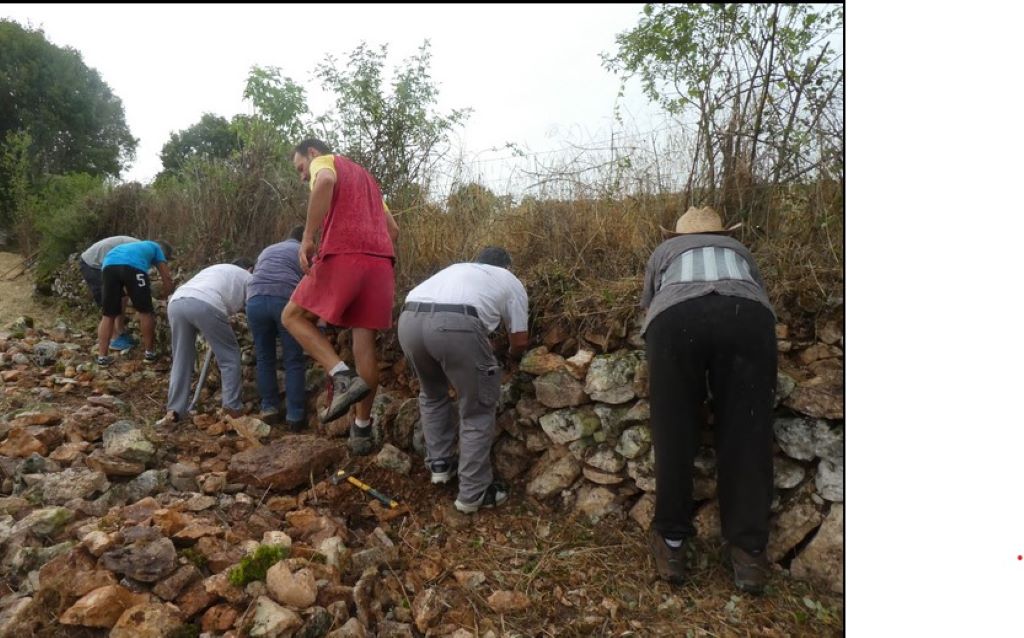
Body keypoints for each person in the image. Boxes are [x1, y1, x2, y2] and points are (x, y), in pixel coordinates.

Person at [640, 206, 777, 593]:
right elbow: (758, 295)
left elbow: (649, 307)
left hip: (676, 318)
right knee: (749, 434)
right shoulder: (739, 250)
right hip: (746, 317)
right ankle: (749, 554)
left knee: (674, 432)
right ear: (723, 232)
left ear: (675, 236)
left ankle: (671, 544)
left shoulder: (663, 254)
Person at [281, 138, 399, 455]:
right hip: (381, 265)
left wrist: (307, 238)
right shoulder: (369, 182)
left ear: (313, 154)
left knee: (291, 317)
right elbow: (394, 230)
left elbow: (327, 181)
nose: (302, 176)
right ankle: (361, 431)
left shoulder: (328, 163)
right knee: (364, 344)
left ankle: (340, 376)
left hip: (345, 254)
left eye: (301, 168)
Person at [397, 246, 529, 513]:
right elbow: (520, 339)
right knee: (477, 410)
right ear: (508, 266)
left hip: (409, 320)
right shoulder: (509, 280)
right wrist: (510, 356)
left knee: (432, 394)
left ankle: (440, 466)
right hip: (455, 325)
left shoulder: (457, 269)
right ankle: (473, 494)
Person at [157, 258, 254, 427]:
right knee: (229, 358)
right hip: (206, 304)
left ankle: (174, 410)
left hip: (177, 302)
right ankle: (232, 408)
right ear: (250, 268)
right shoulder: (249, 277)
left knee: (181, 359)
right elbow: (252, 306)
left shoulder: (215, 269)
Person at [246, 225, 308, 431]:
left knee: (264, 358)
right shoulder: (304, 250)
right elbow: (314, 284)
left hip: (254, 300)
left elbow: (257, 273)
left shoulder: (268, 249)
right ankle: (295, 415)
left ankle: (269, 407)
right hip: (283, 300)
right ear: (304, 239)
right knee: (294, 359)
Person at [96, 240, 175, 366]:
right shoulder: (157, 248)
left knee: (108, 314)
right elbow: (166, 276)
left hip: (109, 266)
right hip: (133, 267)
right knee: (145, 311)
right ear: (164, 253)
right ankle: (150, 353)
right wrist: (169, 297)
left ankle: (102, 358)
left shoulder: (136, 246)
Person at [79, 235, 139, 351]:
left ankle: (120, 332)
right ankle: (114, 339)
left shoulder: (140, 248)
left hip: (105, 262)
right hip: (92, 264)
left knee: (122, 297)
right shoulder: (138, 252)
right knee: (110, 302)